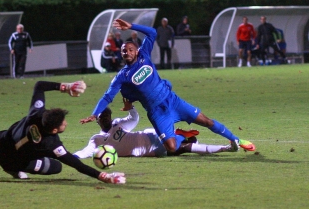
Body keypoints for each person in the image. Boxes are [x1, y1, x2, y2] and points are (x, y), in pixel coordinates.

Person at [80, 18, 256, 156]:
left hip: (172, 101)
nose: (127, 52)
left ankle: (236, 140)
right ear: (121, 54)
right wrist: (95, 113)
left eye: (130, 49)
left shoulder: (144, 55)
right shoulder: (122, 76)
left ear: (137, 51)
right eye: (124, 50)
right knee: (171, 148)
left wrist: (131, 26)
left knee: (206, 121)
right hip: (157, 113)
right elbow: (107, 96)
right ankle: (180, 135)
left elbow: (152, 33)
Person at [74, 100, 236, 159]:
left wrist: (131, 108)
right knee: (184, 148)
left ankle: (182, 135)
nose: (106, 119)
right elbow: (84, 153)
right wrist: (67, 156)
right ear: (97, 120)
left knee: (182, 144)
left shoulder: (118, 124)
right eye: (102, 118)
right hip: (150, 149)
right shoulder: (97, 140)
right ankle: (226, 148)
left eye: (107, 116)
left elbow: (134, 119)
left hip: (150, 133)